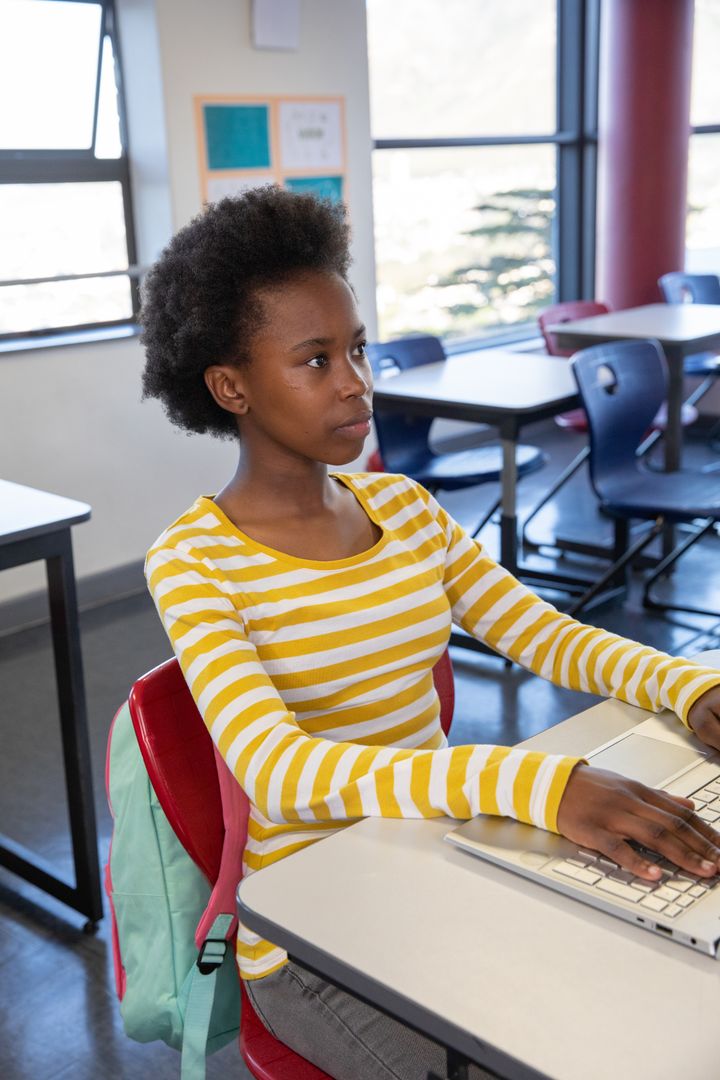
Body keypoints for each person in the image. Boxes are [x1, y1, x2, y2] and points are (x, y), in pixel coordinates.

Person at [141, 186, 720, 1080]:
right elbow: (280, 773)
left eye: (359, 349)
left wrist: (692, 687)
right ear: (231, 386)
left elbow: (542, 633)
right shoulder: (193, 561)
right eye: (315, 359)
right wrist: (534, 783)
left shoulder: (403, 509)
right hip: (310, 935)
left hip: (430, 852)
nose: (356, 382)